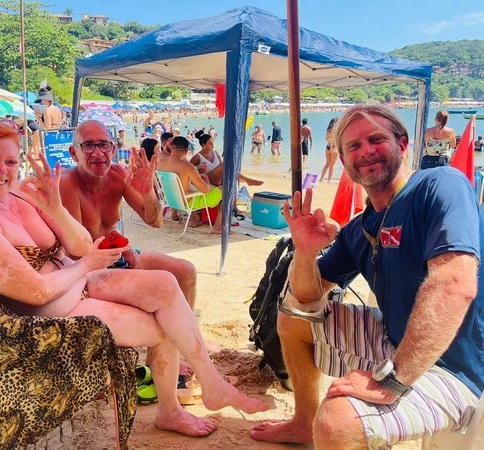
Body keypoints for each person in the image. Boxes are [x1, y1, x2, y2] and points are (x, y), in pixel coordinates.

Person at [0, 114, 269, 438]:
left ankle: (209, 385)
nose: (2, 171)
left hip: (75, 282)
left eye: (11, 162)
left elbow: (81, 244)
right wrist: (87, 265)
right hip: (47, 316)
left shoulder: (16, 194)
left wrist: (55, 210)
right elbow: (39, 291)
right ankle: (174, 408)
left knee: (167, 285)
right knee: (163, 325)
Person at [251, 105, 483, 449]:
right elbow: (305, 300)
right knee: (293, 319)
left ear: (402, 144)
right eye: (353, 146)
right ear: (344, 161)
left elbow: (455, 283)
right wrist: (305, 251)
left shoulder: (439, 185)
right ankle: (303, 423)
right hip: (395, 339)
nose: (366, 151)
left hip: (457, 367)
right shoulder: (360, 229)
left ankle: (325, 422)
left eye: (376, 139)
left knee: (337, 422)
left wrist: (392, 380)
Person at [59, 120, 198, 313]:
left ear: (113, 149)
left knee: (186, 271)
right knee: (161, 288)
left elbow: (155, 221)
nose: (98, 153)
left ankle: (187, 328)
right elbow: (76, 251)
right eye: (88, 145)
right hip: (85, 268)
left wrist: (148, 193)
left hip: (117, 254)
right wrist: (121, 246)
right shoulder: (67, 183)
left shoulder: (118, 175)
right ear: (74, 153)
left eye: (103, 145)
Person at [158, 136, 225, 232]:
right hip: (187, 203)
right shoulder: (188, 167)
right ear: (186, 151)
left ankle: (194, 220)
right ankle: (218, 227)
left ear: (172, 147)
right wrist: (208, 184)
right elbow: (206, 190)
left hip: (169, 201)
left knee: (191, 188)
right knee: (225, 190)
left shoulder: (161, 163)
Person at [190, 130, 263, 187]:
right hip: (208, 180)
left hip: (219, 179)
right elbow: (187, 170)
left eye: (212, 142)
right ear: (203, 144)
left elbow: (222, 168)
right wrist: (199, 170)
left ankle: (242, 180)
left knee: (230, 170)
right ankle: (247, 180)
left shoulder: (215, 153)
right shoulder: (197, 157)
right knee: (225, 164)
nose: (212, 145)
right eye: (210, 143)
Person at [319, 118, 339, 182]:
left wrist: (330, 139)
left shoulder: (328, 130)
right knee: (332, 165)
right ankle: (329, 180)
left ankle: (321, 178)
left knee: (327, 164)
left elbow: (326, 139)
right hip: (334, 148)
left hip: (328, 147)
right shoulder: (337, 130)